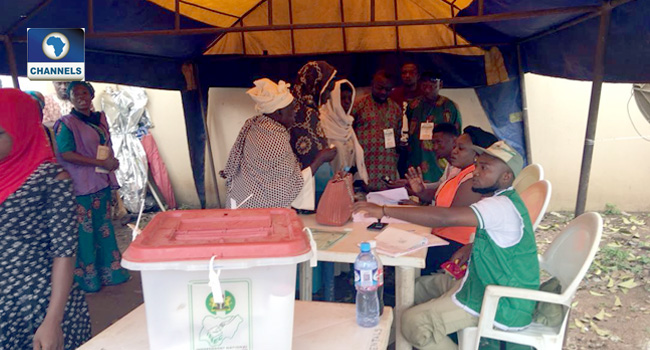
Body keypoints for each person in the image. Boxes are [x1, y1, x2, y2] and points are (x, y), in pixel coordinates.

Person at [354, 140, 539, 350]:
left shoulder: (500, 206)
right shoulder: (499, 199)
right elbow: (499, 238)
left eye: (484, 168)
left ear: (506, 177)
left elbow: (444, 217)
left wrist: (383, 211)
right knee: (411, 290)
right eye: (477, 164)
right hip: (479, 283)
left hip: (500, 302)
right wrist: (470, 248)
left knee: (414, 323)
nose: (475, 172)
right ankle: (379, 343)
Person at [0, 89, 91, 349]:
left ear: (22, 130)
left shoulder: (51, 179)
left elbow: (64, 251)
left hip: (39, 304)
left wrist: (53, 320)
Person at [54, 81, 130, 293]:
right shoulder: (65, 124)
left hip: (101, 183)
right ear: (69, 99)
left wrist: (111, 164)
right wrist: (100, 163)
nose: (81, 96)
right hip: (81, 188)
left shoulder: (100, 118)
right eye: (75, 94)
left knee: (104, 229)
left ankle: (112, 273)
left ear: (91, 95)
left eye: (84, 92)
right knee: (86, 234)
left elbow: (105, 146)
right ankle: (89, 279)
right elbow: (65, 154)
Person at [222, 78, 337, 209]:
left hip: (241, 202)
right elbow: (286, 190)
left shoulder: (257, 125)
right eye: (292, 109)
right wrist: (319, 160)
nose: (295, 113)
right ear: (278, 112)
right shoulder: (274, 138)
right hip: (256, 210)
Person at [409, 126, 498, 274]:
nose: (454, 151)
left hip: (457, 245)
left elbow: (447, 218)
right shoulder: (458, 172)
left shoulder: (472, 180)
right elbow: (441, 202)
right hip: (440, 236)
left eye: (461, 148)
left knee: (407, 252)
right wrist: (421, 192)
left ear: (477, 154)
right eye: (455, 146)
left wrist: (394, 211)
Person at [352, 70, 402, 191]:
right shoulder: (359, 105)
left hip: (388, 171)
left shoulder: (396, 109)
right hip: (365, 167)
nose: (383, 92)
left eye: (388, 89)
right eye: (380, 88)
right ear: (372, 84)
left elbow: (397, 138)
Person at [407, 72, 462, 183]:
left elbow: (457, 135)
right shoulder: (413, 105)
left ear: (440, 85)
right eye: (424, 86)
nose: (427, 90)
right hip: (418, 156)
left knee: (441, 185)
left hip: (439, 158)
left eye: (431, 86)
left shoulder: (449, 106)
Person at [319, 79, 368, 184]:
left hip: (345, 184)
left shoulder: (348, 125)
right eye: (342, 98)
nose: (347, 102)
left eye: (350, 98)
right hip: (325, 185)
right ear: (333, 99)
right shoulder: (321, 123)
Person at [290, 61, 337, 169]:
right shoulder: (306, 114)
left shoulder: (294, 108)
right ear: (315, 86)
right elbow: (312, 156)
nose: (329, 97)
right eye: (328, 90)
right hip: (305, 181)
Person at [390, 62, 423, 178]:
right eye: (404, 73)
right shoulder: (394, 95)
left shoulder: (424, 94)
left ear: (418, 75)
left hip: (419, 145)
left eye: (411, 72)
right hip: (399, 145)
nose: (407, 75)